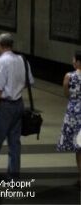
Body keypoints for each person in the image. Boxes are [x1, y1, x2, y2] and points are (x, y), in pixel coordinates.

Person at [0, 33, 33, 177]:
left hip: (4, 106)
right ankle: (13, 178)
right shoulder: (22, 60)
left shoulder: (0, 62)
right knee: (14, 143)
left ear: (0, 45)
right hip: (19, 104)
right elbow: (29, 82)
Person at [57, 51, 81, 184]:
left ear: (78, 62)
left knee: (79, 147)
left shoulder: (69, 76)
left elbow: (66, 93)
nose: (72, 62)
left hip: (74, 112)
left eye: (74, 60)